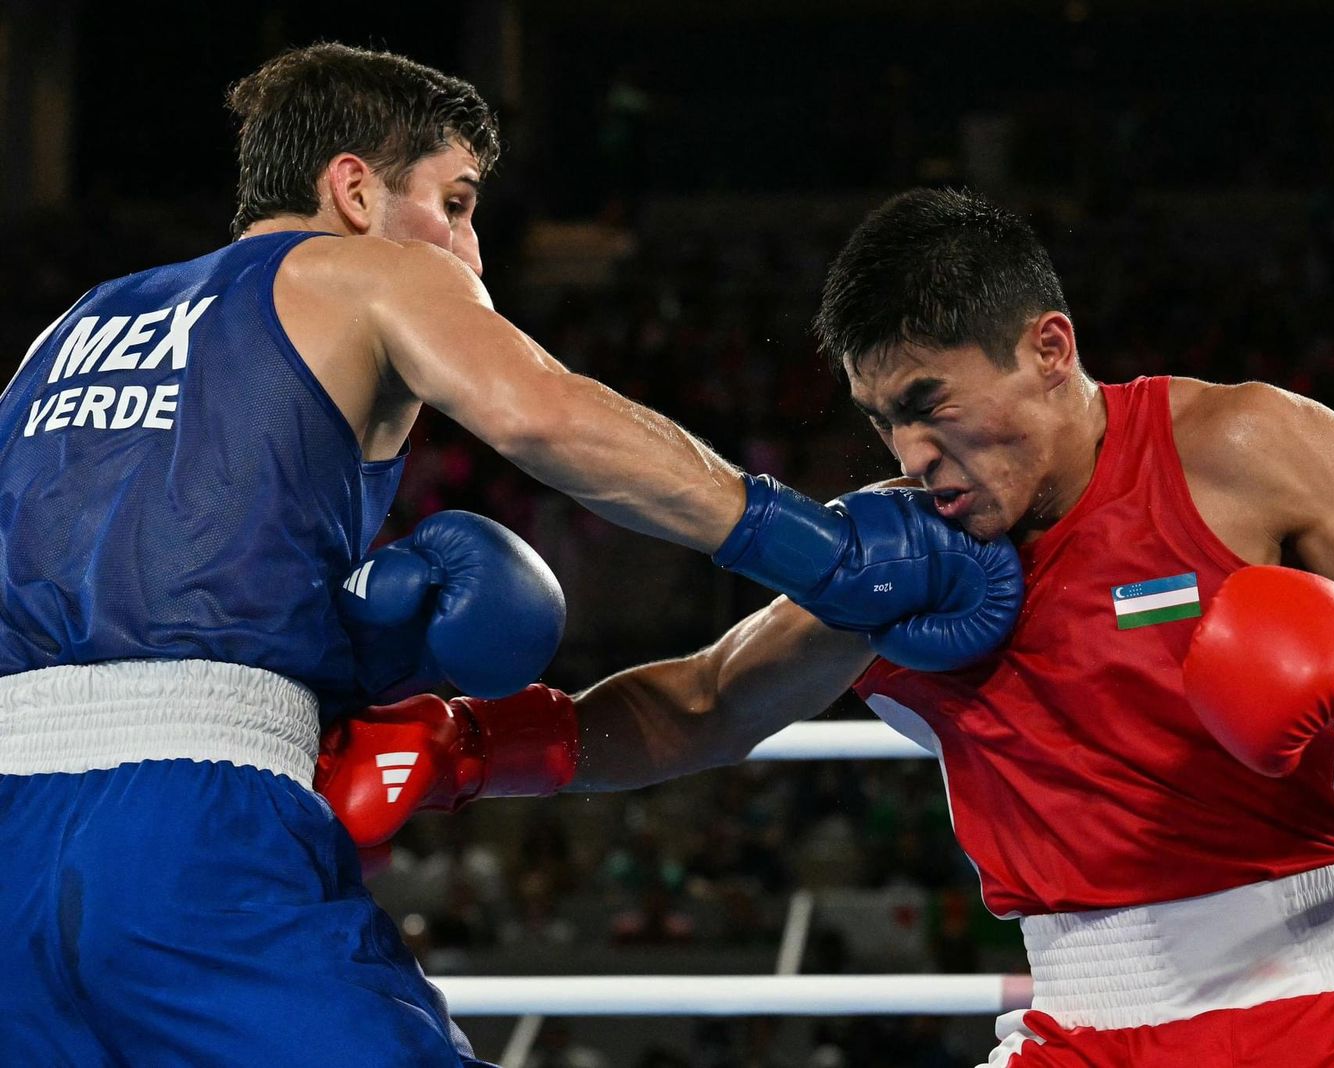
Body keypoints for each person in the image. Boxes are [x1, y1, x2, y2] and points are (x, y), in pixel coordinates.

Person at [329, 188, 1334, 1066]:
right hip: (1090, 1021)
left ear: (1048, 350)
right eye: (882, 423)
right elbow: (703, 703)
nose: (917, 456)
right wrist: (470, 752)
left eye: (933, 407)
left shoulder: (1241, 449)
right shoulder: (902, 554)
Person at [0, 46, 1021, 1065]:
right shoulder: (368, 272)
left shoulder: (65, 331)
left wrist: (336, 667)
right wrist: (821, 551)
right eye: (454, 201)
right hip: (189, 826)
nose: (470, 251)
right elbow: (543, 414)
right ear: (353, 188)